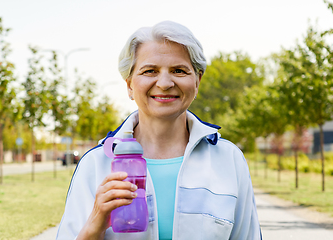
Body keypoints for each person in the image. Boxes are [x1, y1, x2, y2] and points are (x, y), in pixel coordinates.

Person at [56, 21, 261, 240]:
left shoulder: (229, 159)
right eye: (150, 71)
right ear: (129, 85)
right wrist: (95, 222)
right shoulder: (96, 163)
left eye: (179, 71)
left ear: (197, 82)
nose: (164, 83)